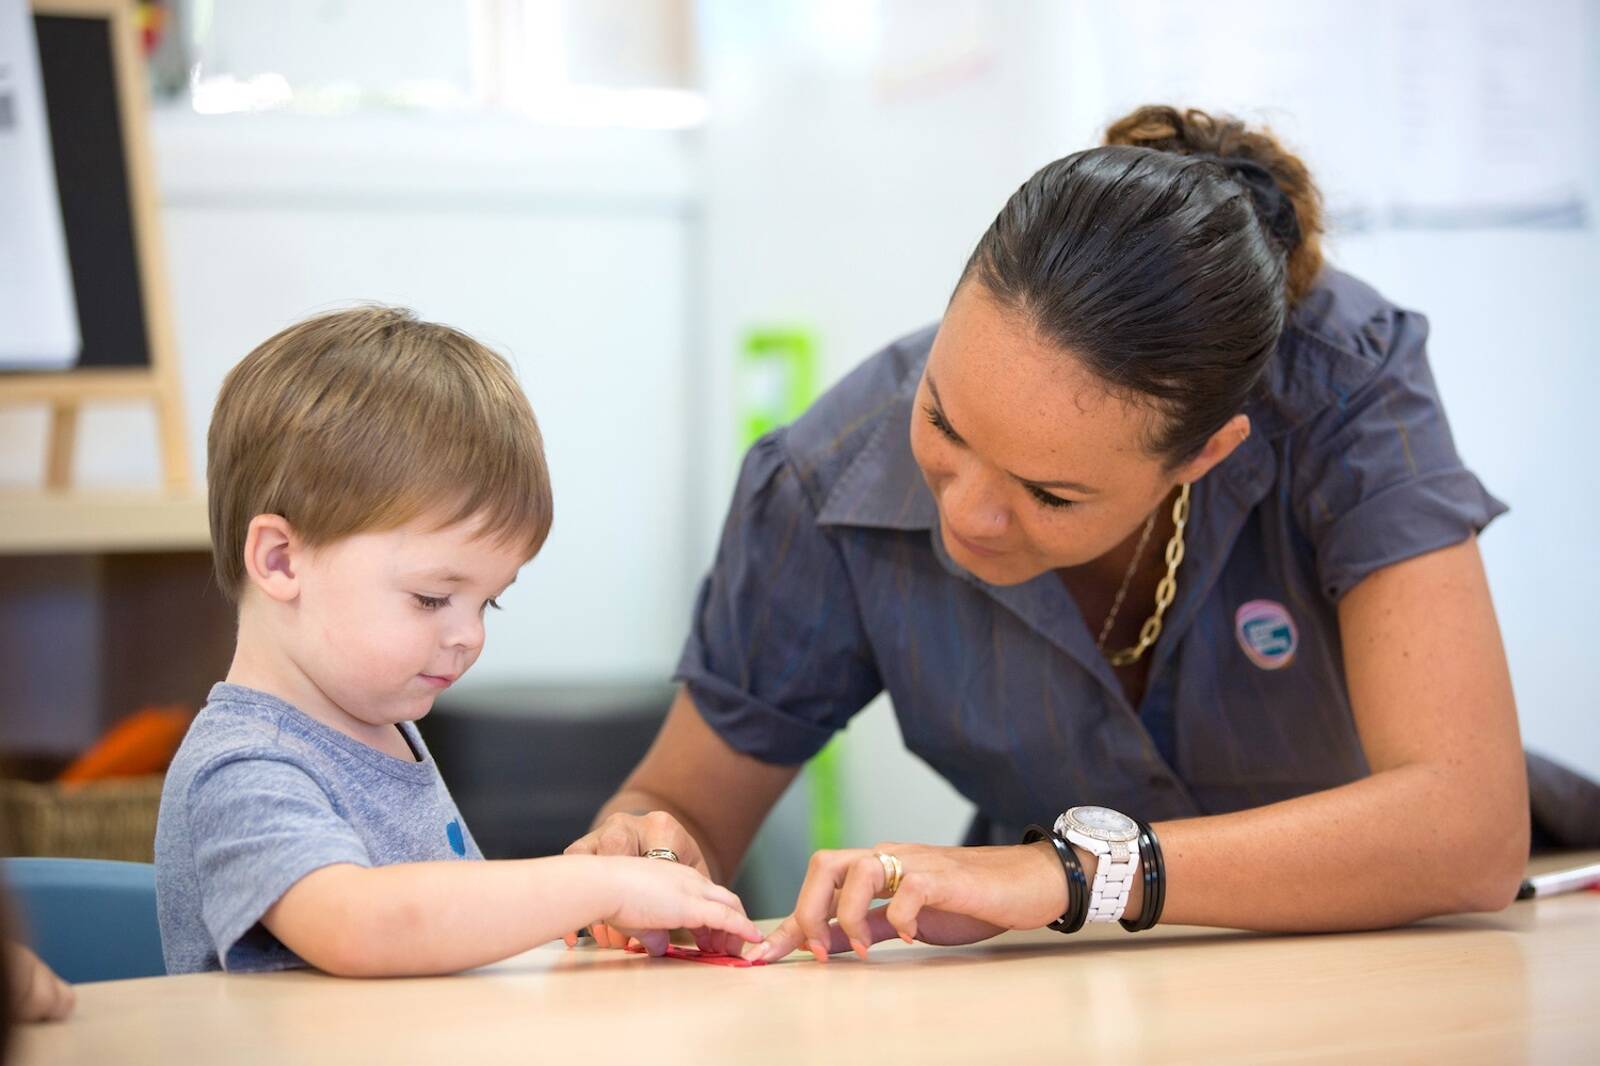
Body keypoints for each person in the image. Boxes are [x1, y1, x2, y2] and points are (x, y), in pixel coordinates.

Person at [569, 105, 1554, 961]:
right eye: (943, 422)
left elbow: (1464, 827)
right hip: (1067, 990)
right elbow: (686, 805)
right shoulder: (821, 477)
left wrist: (1070, 874)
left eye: (1050, 494)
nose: (963, 516)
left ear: (1205, 457)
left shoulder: (1341, 383)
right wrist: (642, 851)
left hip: (1387, 962)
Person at [155, 307, 759, 976]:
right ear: (279, 560)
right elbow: (361, 925)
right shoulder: (245, 766)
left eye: (488, 601)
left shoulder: (377, 726)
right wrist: (593, 888)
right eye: (432, 599)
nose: (469, 636)